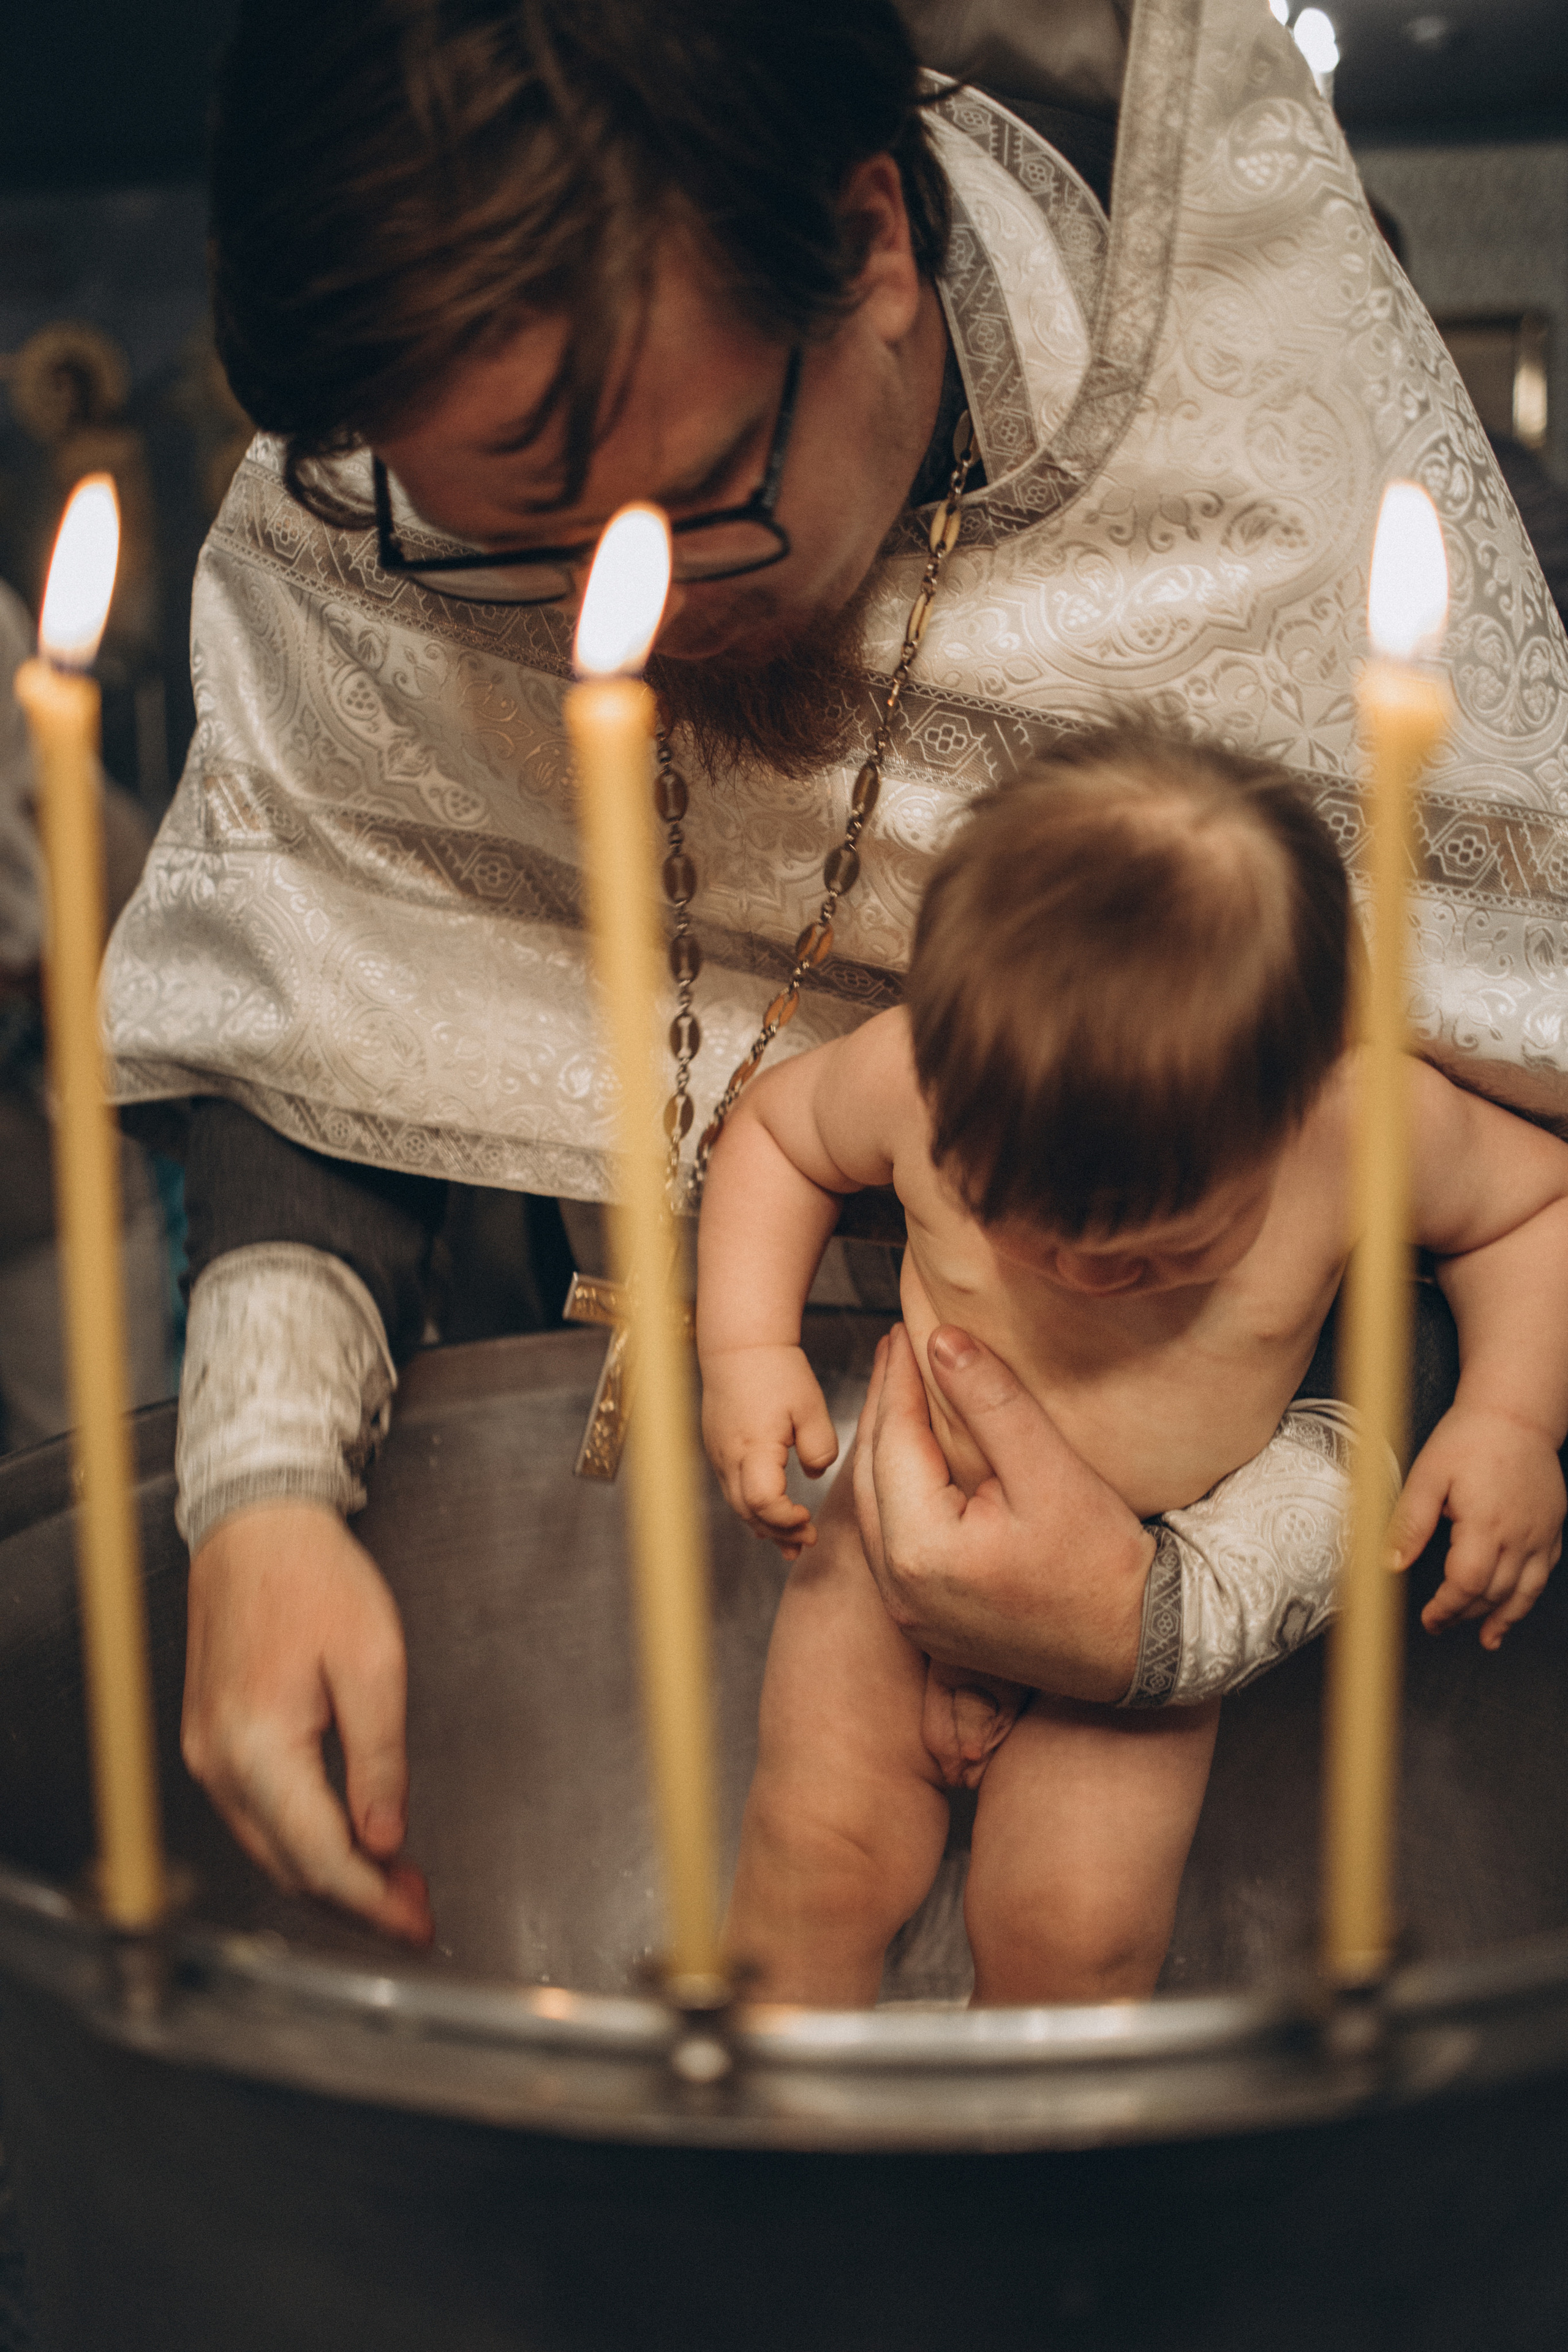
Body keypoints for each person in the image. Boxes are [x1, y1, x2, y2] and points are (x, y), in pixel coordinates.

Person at [100, 0, 1568, 1940]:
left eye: (691, 503)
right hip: (696, 1534)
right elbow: (323, 995)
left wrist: (1196, 1595)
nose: (607, 625)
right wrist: (265, 1491)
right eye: (500, 544)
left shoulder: (1270, 487)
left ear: (874, 243)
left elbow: (1479, 1160)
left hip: (1268, 1639)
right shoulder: (388, 499)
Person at [698, 728, 1568, 2004]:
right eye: (1016, 1220)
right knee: (812, 1862)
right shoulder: (913, 1079)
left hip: (1139, 1581)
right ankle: (771, 2120)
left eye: (1166, 1250)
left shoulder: (1352, 1126)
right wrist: (744, 1346)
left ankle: (1033, 2134)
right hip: (884, 1553)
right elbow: (777, 1134)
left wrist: (1508, 1417)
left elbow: (1533, 1208)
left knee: (1073, 1930)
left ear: (1296, 1101)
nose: (1084, 1272)